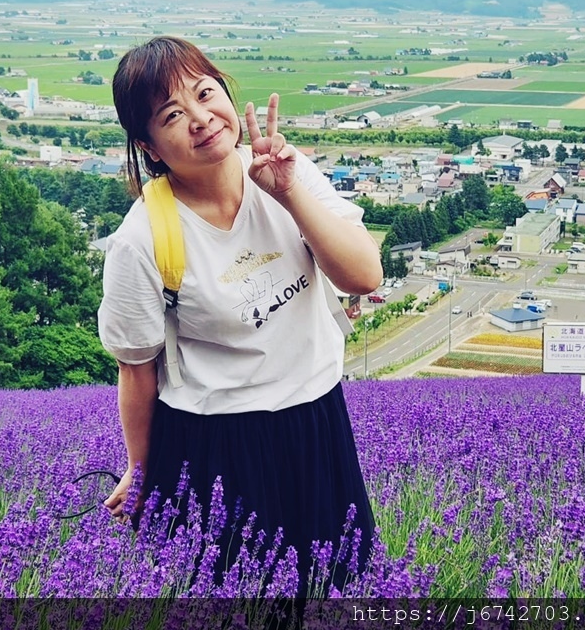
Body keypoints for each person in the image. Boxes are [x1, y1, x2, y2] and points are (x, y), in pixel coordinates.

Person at [97, 36, 382, 596]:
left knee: (336, 588)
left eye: (206, 94)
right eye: (172, 114)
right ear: (150, 146)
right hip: (214, 447)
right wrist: (139, 467)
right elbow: (137, 368)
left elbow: (364, 276)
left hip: (316, 423)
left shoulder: (285, 169)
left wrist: (288, 193)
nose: (201, 119)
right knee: (231, 600)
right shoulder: (141, 240)